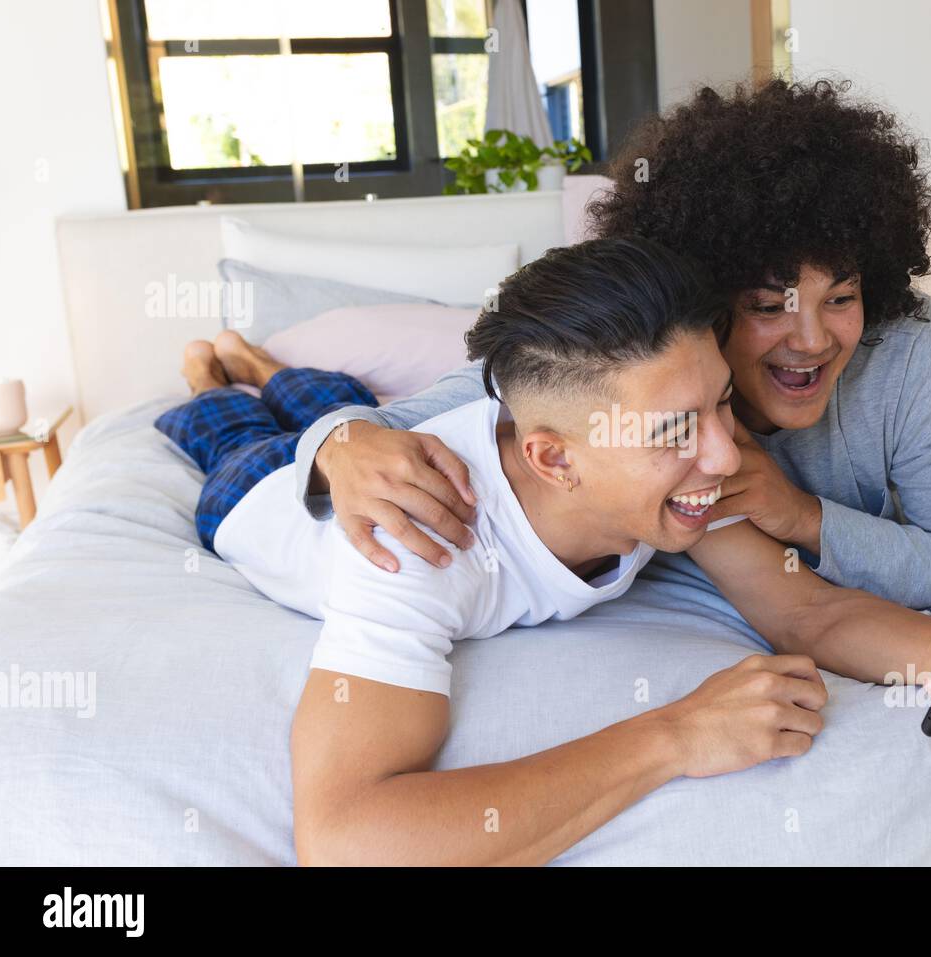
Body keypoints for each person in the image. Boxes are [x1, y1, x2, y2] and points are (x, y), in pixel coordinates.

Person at [294, 79, 931, 729]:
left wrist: (807, 518)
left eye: (841, 296)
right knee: (300, 397)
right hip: (267, 488)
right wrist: (341, 442)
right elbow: (397, 423)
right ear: (699, 307)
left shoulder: (908, 352)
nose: (811, 339)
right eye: (768, 305)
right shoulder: (627, 356)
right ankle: (241, 369)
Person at [154, 238, 836, 866]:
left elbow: (813, 611)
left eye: (721, 404)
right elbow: (343, 837)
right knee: (231, 430)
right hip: (261, 494)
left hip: (394, 439)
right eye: (676, 432)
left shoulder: (668, 459)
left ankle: (264, 365)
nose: (725, 455)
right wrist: (675, 735)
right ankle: (211, 374)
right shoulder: (417, 546)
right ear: (554, 457)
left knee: (341, 399)